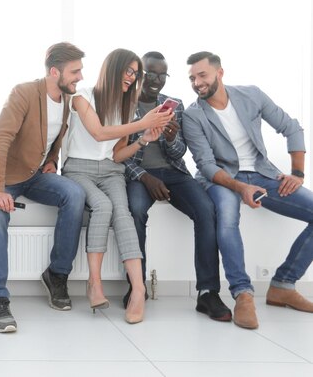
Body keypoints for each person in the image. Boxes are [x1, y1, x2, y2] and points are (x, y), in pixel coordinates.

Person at [183, 51, 313, 329]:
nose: (196, 82)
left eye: (202, 75)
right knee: (228, 219)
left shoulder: (251, 95)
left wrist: (298, 173)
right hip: (220, 178)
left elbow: (291, 127)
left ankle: (283, 284)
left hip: (262, 173)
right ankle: (243, 294)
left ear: (220, 73)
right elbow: (206, 164)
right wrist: (241, 187)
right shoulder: (193, 115)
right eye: (192, 78)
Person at [0, 42, 87, 333]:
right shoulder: (24, 92)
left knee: (75, 194)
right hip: (6, 177)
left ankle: (56, 274)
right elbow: (1, 139)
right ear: (54, 72)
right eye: (75, 71)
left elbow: (56, 135)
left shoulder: (67, 99)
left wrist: (52, 160)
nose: (80, 77)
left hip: (35, 175)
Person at [62, 48, 173, 324]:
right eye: (129, 71)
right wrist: (140, 122)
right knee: (102, 206)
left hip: (111, 171)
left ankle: (138, 289)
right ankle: (94, 283)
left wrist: (143, 138)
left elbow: (117, 154)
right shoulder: (82, 96)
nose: (132, 78)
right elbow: (99, 133)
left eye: (135, 74)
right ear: (113, 69)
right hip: (79, 168)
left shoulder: (126, 106)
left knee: (122, 212)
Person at [124, 51, 232, 322]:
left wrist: (172, 139)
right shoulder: (124, 106)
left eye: (162, 74)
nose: (156, 80)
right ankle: (136, 287)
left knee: (206, 209)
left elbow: (178, 153)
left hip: (173, 173)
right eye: (151, 73)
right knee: (135, 210)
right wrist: (145, 177)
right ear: (139, 74)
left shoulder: (175, 105)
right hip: (139, 175)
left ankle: (207, 292)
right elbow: (117, 154)